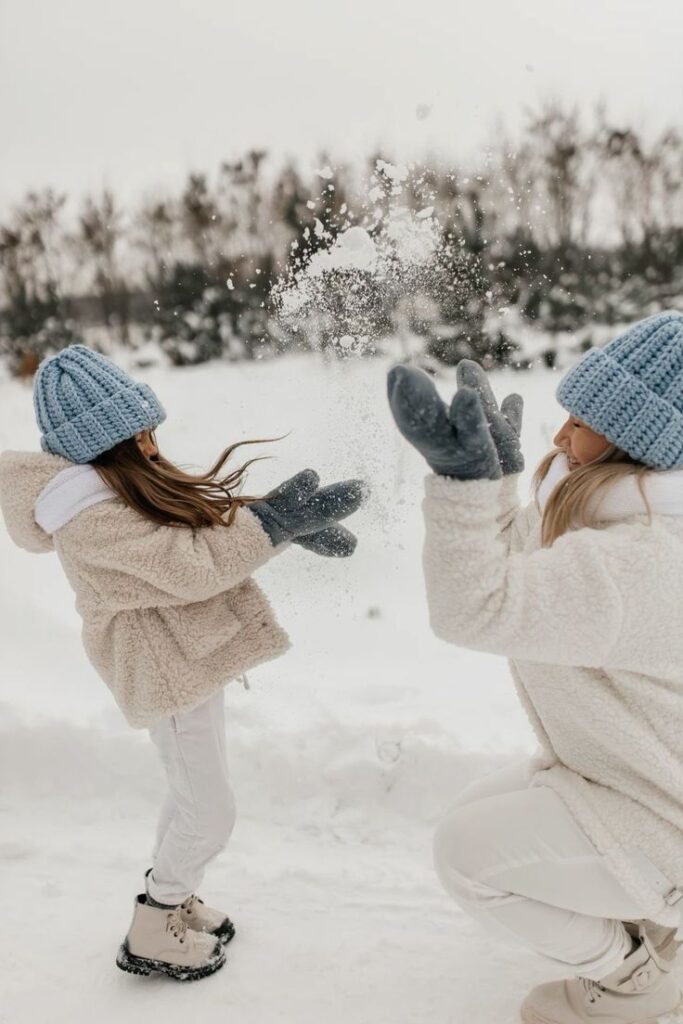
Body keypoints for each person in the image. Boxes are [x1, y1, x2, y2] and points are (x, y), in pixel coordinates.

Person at [0, 344, 365, 982]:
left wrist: (276, 528)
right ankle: (155, 926)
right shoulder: (89, 522)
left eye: (149, 430)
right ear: (104, 444)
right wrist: (272, 525)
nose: (150, 445)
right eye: (136, 435)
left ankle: (171, 895)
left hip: (186, 659)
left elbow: (192, 553)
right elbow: (187, 569)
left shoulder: (111, 499)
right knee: (210, 810)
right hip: (162, 672)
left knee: (192, 794)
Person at [387, 310, 683, 1024]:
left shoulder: (647, 563)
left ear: (631, 444)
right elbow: (528, 564)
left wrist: (459, 488)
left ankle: (634, 978)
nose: (558, 436)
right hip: (632, 777)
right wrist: (499, 481)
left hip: (664, 815)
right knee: (475, 818)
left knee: (466, 855)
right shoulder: (624, 524)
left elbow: (479, 607)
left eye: (577, 422)